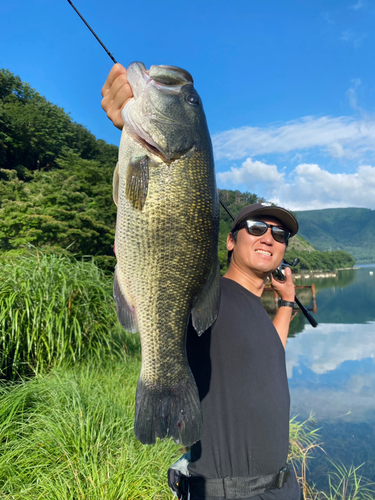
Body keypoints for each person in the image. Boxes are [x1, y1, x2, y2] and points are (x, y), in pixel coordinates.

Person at [101, 64, 303, 500]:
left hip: (283, 487)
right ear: (229, 241)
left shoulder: (254, 304)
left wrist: (285, 304)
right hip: (227, 492)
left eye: (280, 233)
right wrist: (128, 123)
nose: (269, 237)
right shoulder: (217, 299)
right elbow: (141, 205)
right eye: (256, 228)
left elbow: (269, 353)